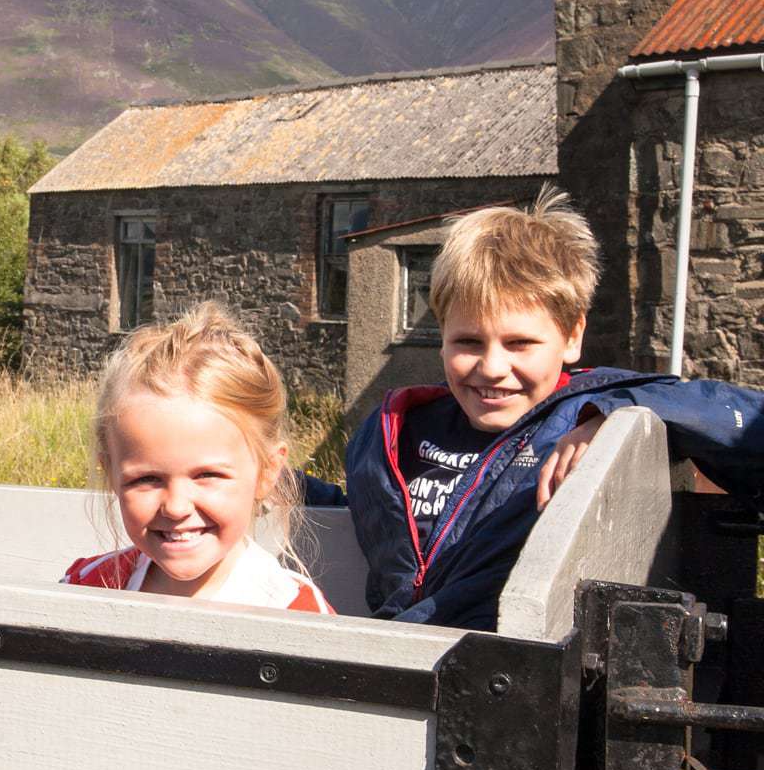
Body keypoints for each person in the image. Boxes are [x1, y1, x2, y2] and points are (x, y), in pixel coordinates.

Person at [346, 188, 764, 631]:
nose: (491, 368)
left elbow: (749, 423)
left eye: (520, 343)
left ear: (571, 337)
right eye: (467, 342)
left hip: (514, 659)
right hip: (393, 649)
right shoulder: (397, 427)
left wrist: (614, 412)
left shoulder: (576, 417)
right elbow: (362, 513)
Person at [62, 302, 334, 614]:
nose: (176, 507)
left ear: (268, 471)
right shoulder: (86, 588)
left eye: (207, 476)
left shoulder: (298, 614)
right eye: (146, 479)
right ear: (111, 473)